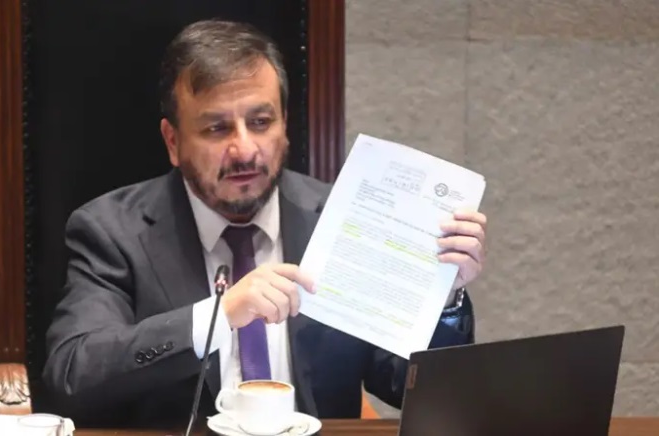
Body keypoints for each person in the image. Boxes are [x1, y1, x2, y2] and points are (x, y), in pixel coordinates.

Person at [42, 19, 487, 429]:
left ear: (284, 125)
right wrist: (217, 318)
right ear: (173, 142)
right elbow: (72, 374)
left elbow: (405, 384)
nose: (245, 150)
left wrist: (443, 298)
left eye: (260, 122)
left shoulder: (340, 220)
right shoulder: (113, 231)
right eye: (217, 129)